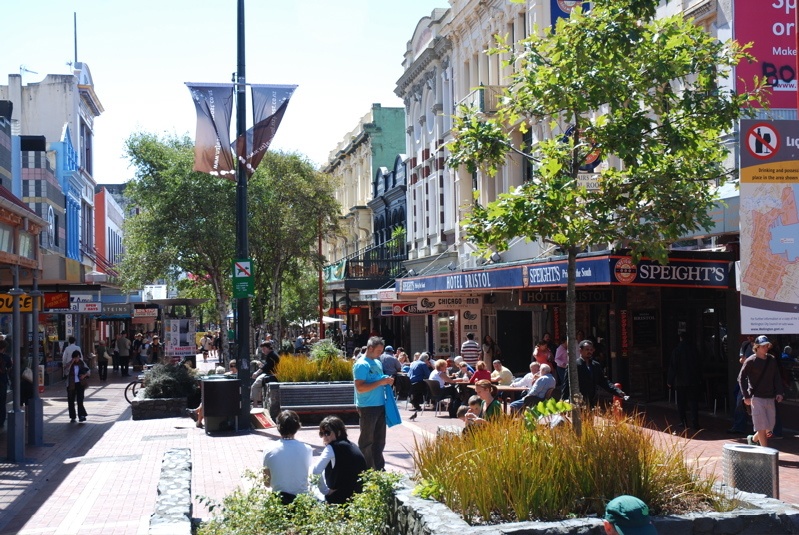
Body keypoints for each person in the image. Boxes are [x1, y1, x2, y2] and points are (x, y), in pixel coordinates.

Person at [353, 336, 393, 470]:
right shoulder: (361, 364)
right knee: (367, 441)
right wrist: (380, 382)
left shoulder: (377, 362)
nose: (380, 354)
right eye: (379, 351)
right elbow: (360, 387)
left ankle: (379, 468)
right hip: (367, 406)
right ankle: (367, 470)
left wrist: (386, 381)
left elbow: (379, 381)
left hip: (380, 405)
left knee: (380, 440)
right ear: (370, 348)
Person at [739, 335, 784, 448]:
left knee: (770, 427)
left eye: (767, 346)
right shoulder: (751, 361)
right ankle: (765, 452)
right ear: (757, 347)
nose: (766, 348)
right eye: (763, 346)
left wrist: (779, 392)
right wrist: (746, 396)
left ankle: (753, 439)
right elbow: (741, 378)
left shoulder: (771, 360)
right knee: (761, 427)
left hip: (770, 397)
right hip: (756, 398)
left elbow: (777, 376)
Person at [312, 416, 368, 504]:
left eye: (327, 433)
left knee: (311, 488)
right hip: (357, 498)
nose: (324, 437)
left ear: (338, 432)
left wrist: (326, 491)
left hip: (338, 499)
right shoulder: (353, 446)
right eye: (321, 433)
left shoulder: (332, 447)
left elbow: (315, 471)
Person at [262, 410, 312, 505]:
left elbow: (266, 483)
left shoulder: (268, 449)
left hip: (279, 501)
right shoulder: (307, 449)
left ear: (278, 427)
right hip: (301, 500)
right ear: (297, 427)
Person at [563, 340, 627, 408]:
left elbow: (603, 381)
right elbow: (567, 384)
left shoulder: (595, 365)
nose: (589, 352)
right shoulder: (574, 365)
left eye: (591, 350)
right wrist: (563, 401)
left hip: (591, 401)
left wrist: (617, 391)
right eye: (587, 350)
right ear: (580, 351)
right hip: (577, 401)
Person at [667, 332, 702, 430]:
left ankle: (683, 422)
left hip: (680, 381)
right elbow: (699, 365)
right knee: (693, 402)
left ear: (681, 338)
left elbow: (673, 367)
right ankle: (695, 422)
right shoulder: (694, 350)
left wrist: (670, 380)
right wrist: (699, 378)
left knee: (681, 403)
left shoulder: (677, 350)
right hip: (693, 380)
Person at [251, 341, 280, 406]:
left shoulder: (271, 355)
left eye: (264, 349)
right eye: (262, 349)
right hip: (271, 373)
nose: (263, 351)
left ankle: (255, 405)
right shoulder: (273, 355)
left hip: (270, 374)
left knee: (254, 386)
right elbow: (269, 365)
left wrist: (256, 372)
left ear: (269, 348)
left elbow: (267, 366)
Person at [64, 350, 90, 423]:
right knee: (71, 400)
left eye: (78, 357)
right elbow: (65, 373)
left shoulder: (82, 363)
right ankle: (72, 416)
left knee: (80, 400)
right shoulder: (69, 364)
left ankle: (81, 415)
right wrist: (71, 363)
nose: (77, 359)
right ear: (73, 357)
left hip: (80, 383)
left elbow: (88, 371)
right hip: (71, 384)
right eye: (76, 358)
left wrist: (84, 375)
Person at [0, 340, 11, 428]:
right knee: (2, 403)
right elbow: (10, 368)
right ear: (3, 348)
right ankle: (1, 421)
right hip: (2, 381)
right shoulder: (6, 357)